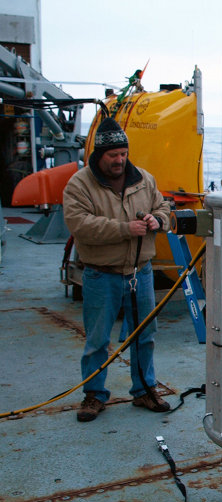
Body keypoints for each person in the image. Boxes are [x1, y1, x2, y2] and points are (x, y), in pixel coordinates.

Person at [63, 117, 171, 421]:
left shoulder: (144, 180)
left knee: (145, 334)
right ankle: (94, 395)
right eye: (113, 155)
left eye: (123, 154)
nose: (120, 160)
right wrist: (126, 229)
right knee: (97, 339)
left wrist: (157, 221)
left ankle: (144, 390)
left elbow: (163, 208)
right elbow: (80, 225)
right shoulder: (79, 184)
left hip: (141, 273)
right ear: (99, 155)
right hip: (101, 275)